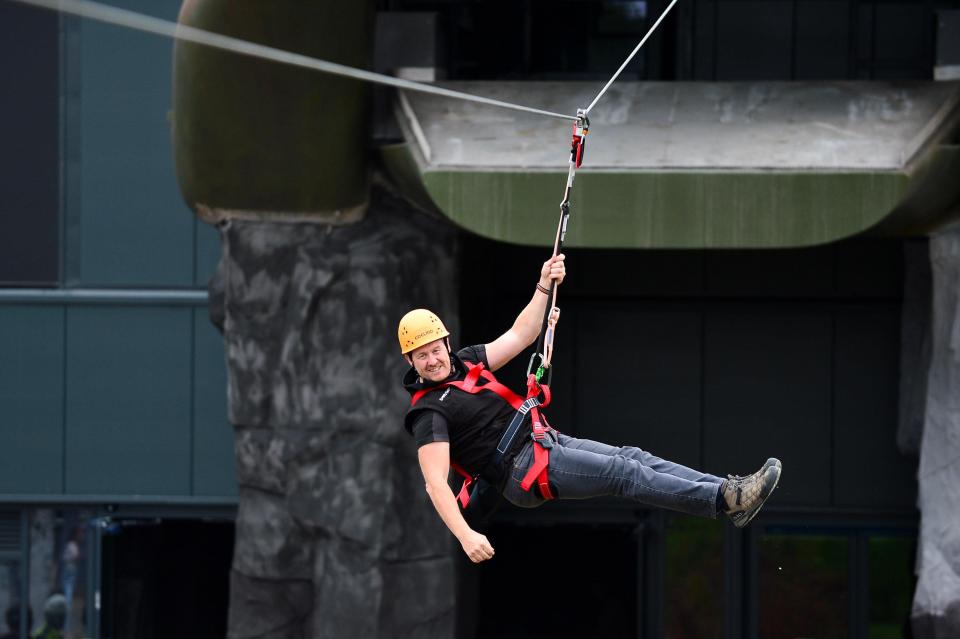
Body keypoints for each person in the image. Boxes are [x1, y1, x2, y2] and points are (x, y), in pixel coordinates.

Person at [399, 254, 782, 564]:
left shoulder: (466, 362)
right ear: (411, 362)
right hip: (523, 471)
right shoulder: (429, 413)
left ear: (446, 344)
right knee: (623, 472)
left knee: (633, 457)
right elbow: (435, 484)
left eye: (435, 350)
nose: (432, 360)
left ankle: (727, 492)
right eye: (422, 356)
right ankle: (726, 500)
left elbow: (520, 334)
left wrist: (543, 285)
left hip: (543, 442)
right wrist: (465, 536)